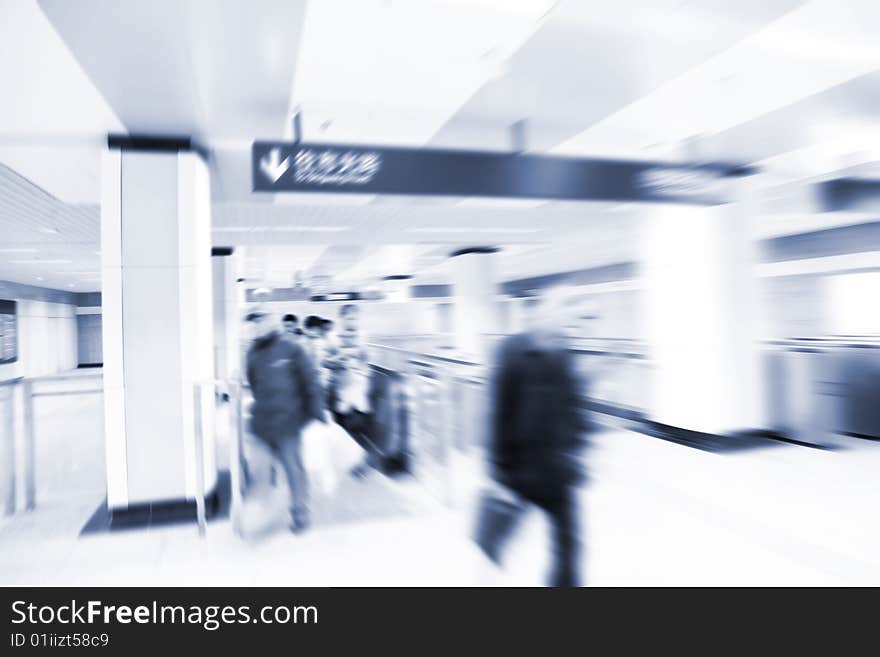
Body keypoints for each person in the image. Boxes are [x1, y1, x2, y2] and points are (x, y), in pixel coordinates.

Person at [478, 304, 592, 587]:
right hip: (522, 468)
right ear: (540, 316)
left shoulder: (563, 353)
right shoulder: (512, 351)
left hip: (557, 468)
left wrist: (580, 444)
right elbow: (498, 411)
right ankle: (488, 567)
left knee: (569, 543)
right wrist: (496, 467)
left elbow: (573, 403)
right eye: (562, 315)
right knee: (501, 534)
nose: (565, 325)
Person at [244, 310, 324, 533]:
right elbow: (253, 384)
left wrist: (315, 412)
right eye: (254, 324)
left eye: (262, 322)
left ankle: (300, 514)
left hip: (288, 424)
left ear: (272, 324)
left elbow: (310, 381)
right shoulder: (252, 353)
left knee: (293, 470)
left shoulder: (291, 349)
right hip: (261, 424)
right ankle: (258, 514)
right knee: (259, 472)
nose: (259, 327)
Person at [329, 304, 377, 478]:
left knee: (359, 425)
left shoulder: (363, 336)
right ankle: (352, 460)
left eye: (354, 317)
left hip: (359, 387)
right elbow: (327, 361)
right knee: (344, 427)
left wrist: (361, 361)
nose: (352, 321)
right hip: (341, 387)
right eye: (348, 317)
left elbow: (367, 359)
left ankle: (361, 463)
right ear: (341, 318)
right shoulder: (334, 338)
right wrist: (338, 360)